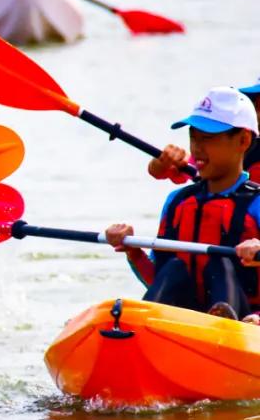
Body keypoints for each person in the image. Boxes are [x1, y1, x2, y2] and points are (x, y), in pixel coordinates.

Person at [106, 86, 260, 322]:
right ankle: (141, 329)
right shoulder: (178, 202)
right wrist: (132, 250)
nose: (197, 148)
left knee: (220, 264)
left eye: (208, 138)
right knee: (174, 268)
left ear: (243, 140)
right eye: (193, 137)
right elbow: (156, 277)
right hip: (184, 326)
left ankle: (226, 323)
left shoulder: (256, 204)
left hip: (243, 326)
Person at [149, 76, 260, 184]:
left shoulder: (239, 144)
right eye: (256, 102)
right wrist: (164, 161)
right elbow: (159, 171)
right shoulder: (235, 148)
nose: (257, 109)